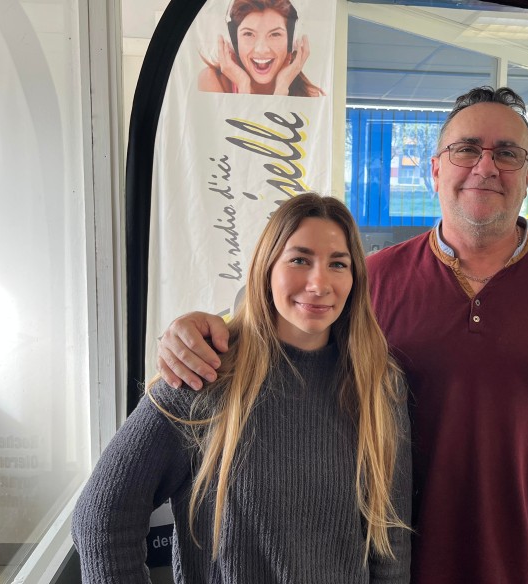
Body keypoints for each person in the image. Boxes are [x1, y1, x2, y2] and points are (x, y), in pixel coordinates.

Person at [157, 87, 528, 584]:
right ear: (435, 170)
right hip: (393, 569)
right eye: (466, 149)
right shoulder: (371, 281)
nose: (485, 167)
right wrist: (198, 330)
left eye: (507, 153)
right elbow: (276, 329)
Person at [73, 194, 411, 582]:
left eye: (338, 264)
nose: (319, 283)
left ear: (354, 279)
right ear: (266, 268)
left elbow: (391, 544)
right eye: (299, 260)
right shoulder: (204, 375)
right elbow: (102, 518)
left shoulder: (379, 383)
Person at [198, 0, 325, 97]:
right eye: (248, 34)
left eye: (275, 34)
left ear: (291, 41)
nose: (261, 50)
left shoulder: (309, 94)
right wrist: (243, 86)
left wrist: (281, 89)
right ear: (233, 40)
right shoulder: (212, 81)